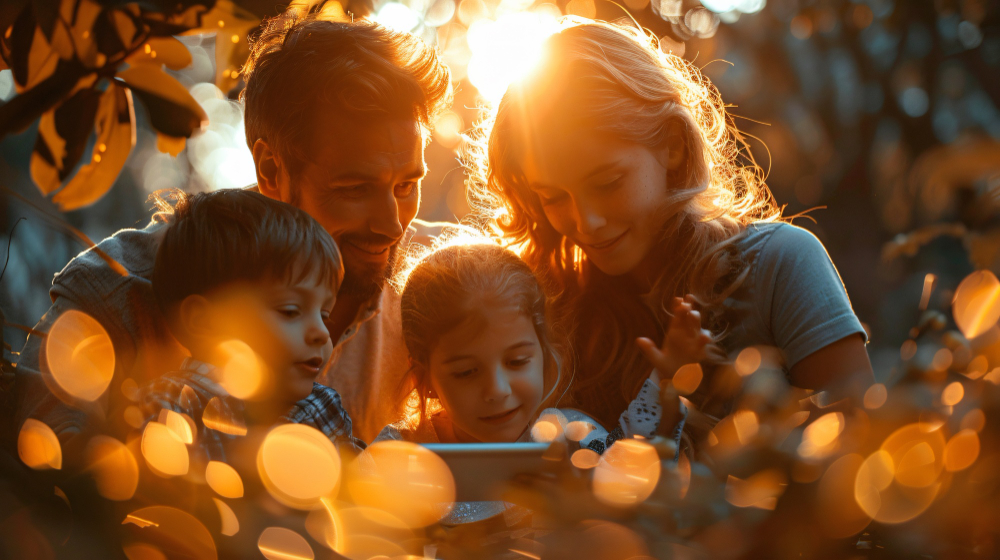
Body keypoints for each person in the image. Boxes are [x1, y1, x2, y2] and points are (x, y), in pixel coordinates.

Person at [7, 5, 453, 462]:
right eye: (355, 188)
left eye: (406, 185)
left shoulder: (448, 282)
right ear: (270, 169)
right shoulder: (121, 291)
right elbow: (47, 493)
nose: (392, 224)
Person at [467, 20, 874, 429]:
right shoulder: (553, 317)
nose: (586, 222)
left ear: (673, 146)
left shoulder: (781, 265)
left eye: (608, 183)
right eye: (553, 197)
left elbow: (863, 447)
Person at [374, 242, 705, 449]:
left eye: (517, 361)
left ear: (545, 354)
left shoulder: (569, 440)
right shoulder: (399, 457)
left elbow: (632, 471)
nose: (497, 389)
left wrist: (668, 380)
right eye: (466, 372)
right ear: (424, 378)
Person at [133, 189, 363, 466]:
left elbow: (359, 493)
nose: (322, 333)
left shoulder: (322, 407)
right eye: (290, 311)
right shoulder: (172, 407)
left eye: (324, 315)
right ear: (204, 321)